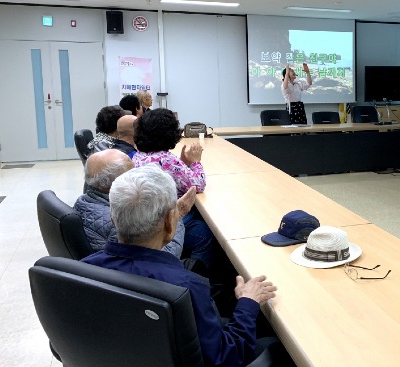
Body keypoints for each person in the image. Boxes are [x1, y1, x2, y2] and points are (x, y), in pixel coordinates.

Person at [81, 165, 280, 367]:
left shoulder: (83, 269)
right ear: (170, 222)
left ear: (113, 218)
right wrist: (248, 302)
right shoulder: (184, 289)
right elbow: (228, 357)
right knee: (277, 347)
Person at [132, 108, 216, 273]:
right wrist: (196, 161)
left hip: (146, 215)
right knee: (205, 234)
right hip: (164, 219)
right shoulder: (167, 160)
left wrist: (183, 162)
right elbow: (197, 185)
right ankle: (196, 275)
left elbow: (172, 174)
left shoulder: (139, 155)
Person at [74, 149, 193, 256]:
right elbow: (164, 255)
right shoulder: (121, 218)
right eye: (132, 171)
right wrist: (176, 214)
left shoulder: (82, 202)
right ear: (118, 182)